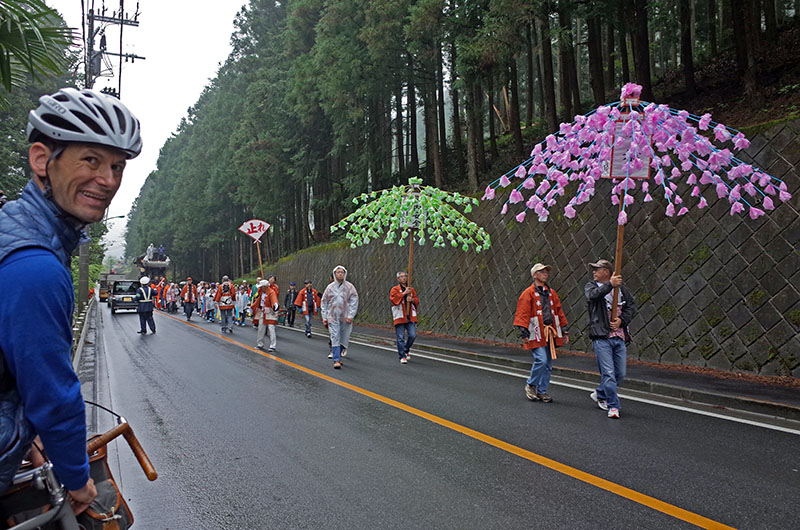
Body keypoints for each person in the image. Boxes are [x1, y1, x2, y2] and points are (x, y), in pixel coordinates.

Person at [0, 88, 142, 510]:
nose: (109, 180)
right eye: (91, 161)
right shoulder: (34, 266)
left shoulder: (13, 226)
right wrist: (77, 480)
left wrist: (30, 435)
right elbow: (53, 392)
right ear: (42, 159)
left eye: (117, 166)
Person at [585, 259, 637, 419]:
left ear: (606, 272)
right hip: (601, 337)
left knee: (619, 374)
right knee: (608, 373)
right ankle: (613, 406)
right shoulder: (591, 286)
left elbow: (631, 307)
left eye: (597, 269)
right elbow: (593, 296)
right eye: (593, 270)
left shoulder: (621, 290)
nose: (594, 272)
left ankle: (600, 392)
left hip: (619, 337)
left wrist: (622, 321)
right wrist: (610, 285)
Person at [513, 263, 569, 403]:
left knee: (548, 363)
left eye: (546, 272)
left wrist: (564, 330)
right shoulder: (528, 293)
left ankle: (542, 390)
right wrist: (524, 333)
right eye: (541, 272)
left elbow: (559, 312)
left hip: (550, 331)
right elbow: (523, 313)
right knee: (541, 360)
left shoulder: (551, 293)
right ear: (534, 275)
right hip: (536, 331)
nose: (545, 274)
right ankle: (531, 384)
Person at [321, 266, 359, 369]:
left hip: (345, 317)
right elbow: (324, 302)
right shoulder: (330, 288)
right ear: (334, 274)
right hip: (333, 316)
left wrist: (351, 315)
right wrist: (324, 317)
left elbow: (354, 301)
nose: (340, 274)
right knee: (335, 336)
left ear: (345, 274)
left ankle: (339, 354)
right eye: (338, 272)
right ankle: (336, 359)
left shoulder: (350, 287)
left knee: (344, 337)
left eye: (342, 272)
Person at [390, 271, 419, 364]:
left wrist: (412, 299)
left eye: (405, 276)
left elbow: (417, 300)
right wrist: (403, 294)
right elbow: (394, 300)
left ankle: (406, 350)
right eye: (401, 277)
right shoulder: (394, 289)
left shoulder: (411, 289)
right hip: (400, 316)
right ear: (398, 279)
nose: (403, 278)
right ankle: (402, 355)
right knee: (400, 337)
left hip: (410, 316)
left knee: (412, 335)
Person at [253, 280, 279, 352]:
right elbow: (257, 301)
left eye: (261, 287)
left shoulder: (271, 292)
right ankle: (260, 344)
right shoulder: (261, 292)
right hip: (262, 311)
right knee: (261, 328)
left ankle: (273, 346)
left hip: (270, 311)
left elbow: (274, 299)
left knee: (271, 328)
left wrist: (275, 305)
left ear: (264, 287)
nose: (260, 288)